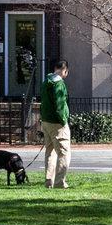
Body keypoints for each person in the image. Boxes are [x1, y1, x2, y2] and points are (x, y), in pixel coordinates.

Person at [37, 60, 71, 189]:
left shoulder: (46, 81)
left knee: (50, 151)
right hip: (57, 123)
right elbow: (60, 105)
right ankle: (59, 182)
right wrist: (63, 120)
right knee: (63, 152)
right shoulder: (59, 83)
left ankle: (48, 181)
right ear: (64, 70)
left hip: (46, 121)